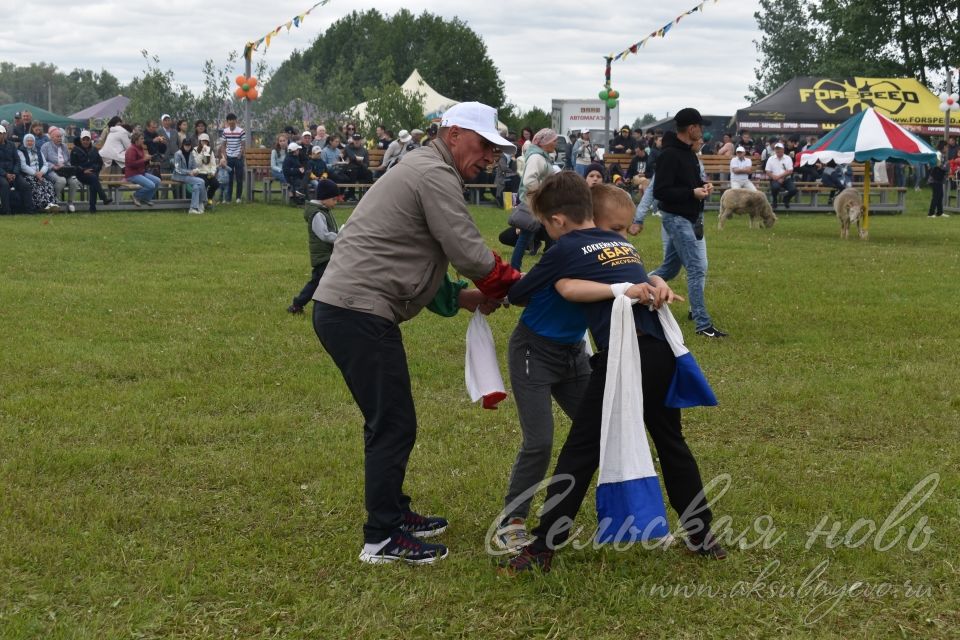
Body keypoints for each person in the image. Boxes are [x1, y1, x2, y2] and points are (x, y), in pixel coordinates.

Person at [312, 101, 523, 566]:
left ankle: (394, 513)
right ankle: (381, 537)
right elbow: (466, 250)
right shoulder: (434, 173)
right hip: (358, 312)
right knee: (393, 422)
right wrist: (517, 287)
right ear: (453, 135)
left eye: (495, 149)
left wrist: (461, 298)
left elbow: (407, 257)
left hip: (351, 309)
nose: (491, 156)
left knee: (388, 419)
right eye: (485, 144)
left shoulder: (427, 166)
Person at [501, 174, 725, 575]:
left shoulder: (566, 246)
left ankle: (543, 547)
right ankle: (702, 533)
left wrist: (558, 278)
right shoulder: (623, 245)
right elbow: (638, 281)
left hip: (625, 355)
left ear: (557, 222)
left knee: (581, 450)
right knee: (672, 443)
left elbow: (518, 295)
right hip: (661, 354)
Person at [649, 108, 726, 338]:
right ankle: (703, 324)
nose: (702, 131)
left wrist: (703, 186)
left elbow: (686, 184)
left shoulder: (687, 153)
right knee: (696, 268)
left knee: (668, 270)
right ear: (691, 128)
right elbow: (661, 191)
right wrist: (691, 193)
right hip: (676, 219)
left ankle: (635, 284)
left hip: (687, 218)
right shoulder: (670, 154)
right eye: (700, 127)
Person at [288, 179, 341, 314]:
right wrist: (340, 237)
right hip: (322, 257)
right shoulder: (317, 214)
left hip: (327, 255)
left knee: (328, 281)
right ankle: (297, 304)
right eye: (334, 199)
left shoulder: (324, 210)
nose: (336, 202)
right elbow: (323, 235)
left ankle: (332, 306)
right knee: (316, 283)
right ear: (324, 198)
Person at [510, 128, 559, 270]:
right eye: (554, 140)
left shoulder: (541, 156)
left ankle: (516, 268)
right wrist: (541, 195)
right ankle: (549, 268)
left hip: (540, 202)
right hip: (537, 203)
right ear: (545, 142)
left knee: (529, 235)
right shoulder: (536, 158)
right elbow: (529, 181)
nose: (556, 143)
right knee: (550, 234)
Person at [40, 127, 81, 212]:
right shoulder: (46, 146)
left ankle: (70, 203)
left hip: (64, 170)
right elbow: (42, 161)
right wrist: (53, 166)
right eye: (57, 136)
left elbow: (69, 160)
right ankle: (54, 202)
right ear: (51, 137)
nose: (60, 138)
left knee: (74, 181)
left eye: (60, 136)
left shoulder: (64, 147)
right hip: (51, 170)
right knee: (61, 181)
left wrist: (66, 166)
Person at [70, 130, 112, 212]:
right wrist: (83, 170)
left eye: (87, 139)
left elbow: (100, 163)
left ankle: (92, 208)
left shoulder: (94, 150)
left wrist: (94, 169)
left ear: (90, 140)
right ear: (81, 140)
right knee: (94, 179)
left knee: (93, 179)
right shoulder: (75, 150)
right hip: (80, 174)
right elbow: (73, 165)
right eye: (84, 139)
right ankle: (103, 197)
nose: (86, 141)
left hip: (93, 173)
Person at [17, 133, 59, 212]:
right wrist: (35, 174)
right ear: (24, 141)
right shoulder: (21, 151)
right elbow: (23, 166)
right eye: (28, 141)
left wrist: (41, 173)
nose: (30, 143)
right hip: (28, 175)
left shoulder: (38, 150)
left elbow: (45, 164)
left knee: (48, 184)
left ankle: (51, 204)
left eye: (32, 141)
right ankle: (42, 205)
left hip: (40, 174)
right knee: (37, 185)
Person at [0, 125, 34, 214]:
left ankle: (29, 210)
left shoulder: (11, 145)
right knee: (4, 185)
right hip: (1, 174)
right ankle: (6, 211)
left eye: (1, 134)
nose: (0, 135)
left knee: (25, 185)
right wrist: (5, 174)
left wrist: (14, 173)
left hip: (13, 173)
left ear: (4, 134)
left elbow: (17, 160)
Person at [123, 131, 161, 206]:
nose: (143, 140)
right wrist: (144, 159)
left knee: (157, 181)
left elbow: (142, 162)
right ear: (136, 140)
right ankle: (135, 196)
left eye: (143, 138)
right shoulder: (131, 149)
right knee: (151, 185)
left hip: (141, 173)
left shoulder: (140, 148)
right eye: (141, 139)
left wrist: (149, 160)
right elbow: (131, 164)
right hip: (132, 174)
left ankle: (146, 198)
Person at [172, 138, 207, 214]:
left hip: (189, 176)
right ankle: (201, 203)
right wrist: (189, 172)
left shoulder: (191, 154)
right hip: (179, 176)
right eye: (186, 145)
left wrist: (196, 170)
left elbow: (194, 165)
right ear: (183, 145)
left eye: (189, 145)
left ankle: (193, 208)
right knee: (201, 181)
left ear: (191, 145)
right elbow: (177, 169)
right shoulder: (178, 154)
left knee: (196, 186)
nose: (187, 146)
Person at [219, 113, 245, 203]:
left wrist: (240, 154)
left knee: (239, 178)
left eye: (233, 119)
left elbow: (243, 144)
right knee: (228, 178)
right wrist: (224, 155)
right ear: (227, 121)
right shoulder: (225, 131)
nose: (231, 121)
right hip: (229, 156)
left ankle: (238, 197)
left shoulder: (241, 131)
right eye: (229, 120)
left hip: (238, 157)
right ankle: (228, 198)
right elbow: (223, 144)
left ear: (236, 120)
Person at [765, 142, 797, 209]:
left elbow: (790, 171)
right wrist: (775, 178)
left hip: (786, 179)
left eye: (779, 149)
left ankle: (786, 199)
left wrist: (780, 177)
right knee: (775, 187)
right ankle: (775, 200)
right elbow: (767, 171)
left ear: (783, 149)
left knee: (793, 190)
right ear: (775, 150)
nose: (778, 150)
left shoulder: (788, 158)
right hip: (774, 179)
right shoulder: (771, 159)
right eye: (776, 149)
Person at [195, 133, 219, 206]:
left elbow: (213, 164)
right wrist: (202, 152)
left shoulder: (210, 150)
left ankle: (209, 198)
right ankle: (202, 202)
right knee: (204, 183)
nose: (204, 143)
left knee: (216, 184)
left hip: (208, 173)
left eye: (206, 141)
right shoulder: (195, 150)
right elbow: (197, 163)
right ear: (200, 141)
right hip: (199, 172)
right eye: (203, 141)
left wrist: (213, 172)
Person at [928, 142, 948, 218]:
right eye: (946, 147)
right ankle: (930, 213)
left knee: (940, 195)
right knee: (936, 196)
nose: (947, 149)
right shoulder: (938, 154)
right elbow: (938, 164)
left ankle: (939, 212)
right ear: (943, 147)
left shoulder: (942, 155)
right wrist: (945, 167)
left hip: (938, 179)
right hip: (934, 179)